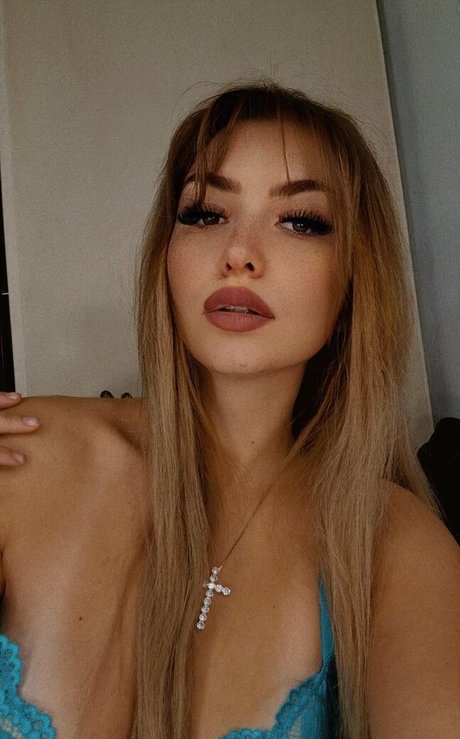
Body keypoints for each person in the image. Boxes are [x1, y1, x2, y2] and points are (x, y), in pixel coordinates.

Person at [0, 82, 459, 739]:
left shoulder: (390, 543)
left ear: (354, 283)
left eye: (301, 221)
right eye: (206, 213)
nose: (239, 252)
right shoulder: (26, 453)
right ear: (167, 256)